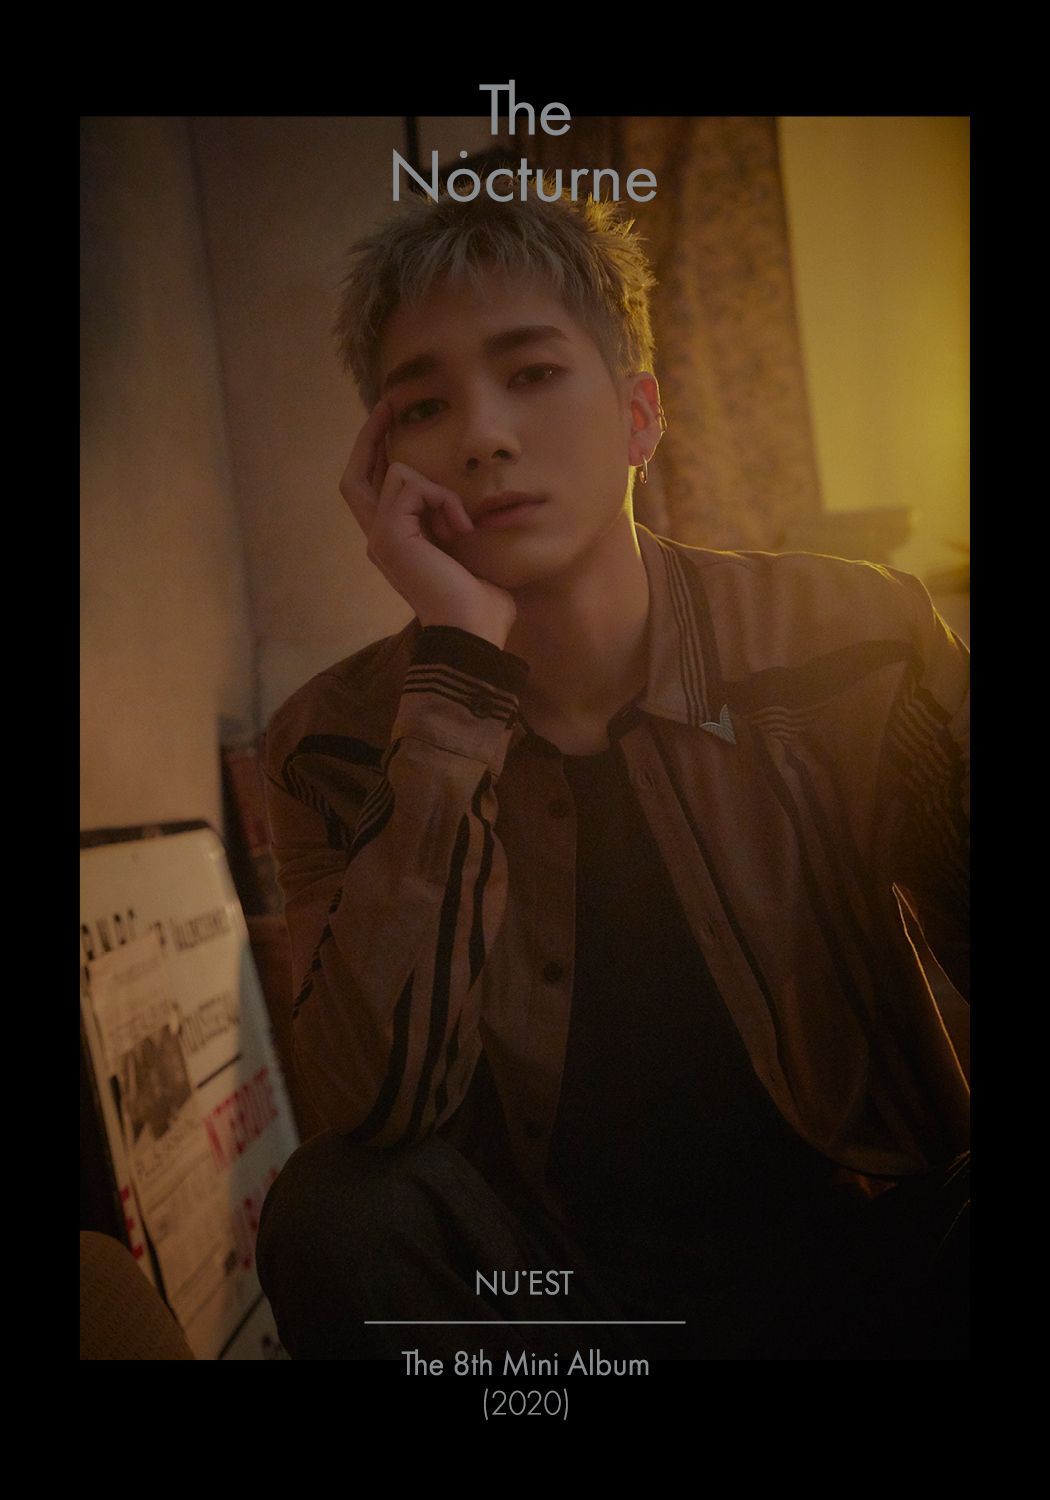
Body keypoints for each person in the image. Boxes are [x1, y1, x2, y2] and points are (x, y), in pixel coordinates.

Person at [257, 186, 969, 1360]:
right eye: (425, 403)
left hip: (877, 1266)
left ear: (640, 417)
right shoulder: (327, 741)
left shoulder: (856, 640)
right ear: (381, 469)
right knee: (335, 1213)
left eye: (533, 372)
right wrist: (456, 681)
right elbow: (369, 1111)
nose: (484, 436)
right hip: (565, 1315)